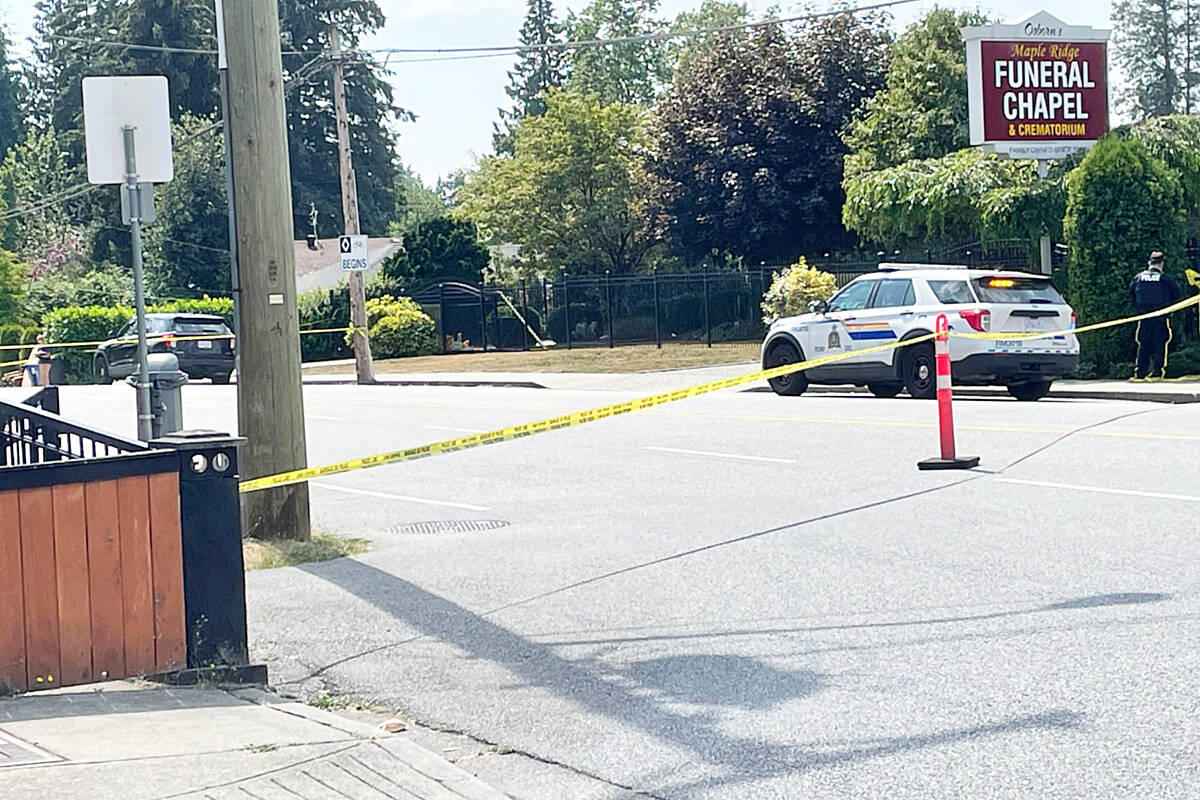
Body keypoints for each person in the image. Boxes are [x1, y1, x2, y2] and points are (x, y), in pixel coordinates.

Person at [1129, 250, 1182, 380]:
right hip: (1161, 317)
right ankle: (1157, 371)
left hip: (1144, 317)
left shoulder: (1139, 278)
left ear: (1149, 263)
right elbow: (1177, 294)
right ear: (1162, 264)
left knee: (1143, 343)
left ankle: (1140, 372)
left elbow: (1131, 294)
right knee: (1160, 343)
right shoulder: (1165, 279)